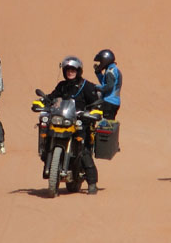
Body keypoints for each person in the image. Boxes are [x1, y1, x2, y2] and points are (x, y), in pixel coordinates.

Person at [45, 56, 100, 195]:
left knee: (84, 152)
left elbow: (96, 102)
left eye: (73, 70)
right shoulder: (62, 86)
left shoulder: (86, 86)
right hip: (64, 122)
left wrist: (94, 111)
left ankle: (92, 183)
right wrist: (43, 101)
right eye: (68, 70)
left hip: (81, 123)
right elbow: (52, 97)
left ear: (79, 71)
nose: (70, 72)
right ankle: (50, 165)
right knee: (46, 137)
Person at [93, 49, 122, 120]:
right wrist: (98, 73)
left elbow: (108, 87)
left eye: (100, 62)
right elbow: (104, 83)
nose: (100, 64)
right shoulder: (112, 69)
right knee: (109, 124)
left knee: (90, 110)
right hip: (113, 102)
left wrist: (96, 87)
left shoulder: (110, 71)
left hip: (109, 102)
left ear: (104, 60)